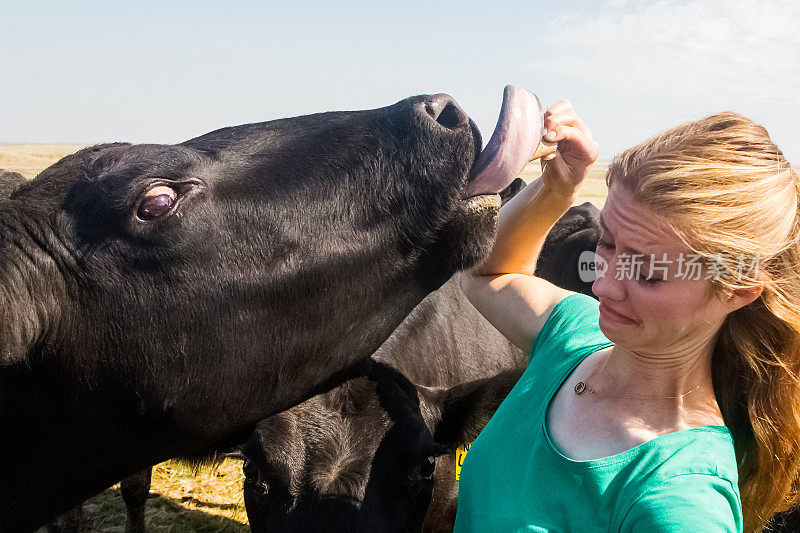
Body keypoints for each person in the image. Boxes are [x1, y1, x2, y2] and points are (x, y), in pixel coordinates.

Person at [455, 101, 800, 532]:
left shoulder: (679, 498)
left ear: (737, 288)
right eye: (608, 243)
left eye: (648, 272)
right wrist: (557, 188)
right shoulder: (573, 335)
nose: (602, 286)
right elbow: (489, 274)